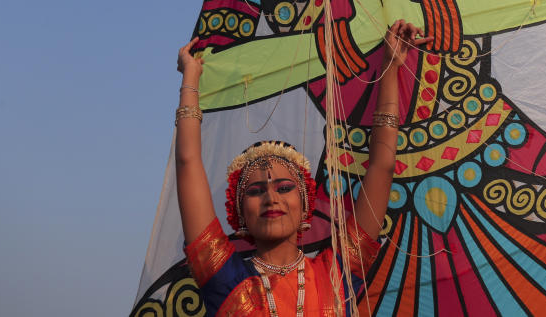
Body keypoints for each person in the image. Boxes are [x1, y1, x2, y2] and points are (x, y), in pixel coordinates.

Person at [175, 20, 429, 317]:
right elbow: (187, 162)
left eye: (284, 187)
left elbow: (382, 167)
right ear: (239, 211)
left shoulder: (337, 273)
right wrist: (190, 80)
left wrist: (389, 69)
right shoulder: (224, 278)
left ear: (306, 201)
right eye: (256, 191)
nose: (272, 198)